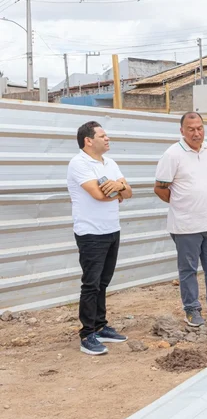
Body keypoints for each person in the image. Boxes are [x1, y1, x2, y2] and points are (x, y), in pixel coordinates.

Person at [154, 112, 207, 327]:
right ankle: (192, 310)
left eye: (199, 128)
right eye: (190, 129)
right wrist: (182, 205)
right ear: (181, 131)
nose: (196, 133)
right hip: (185, 226)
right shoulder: (172, 155)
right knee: (188, 270)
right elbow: (160, 188)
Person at [67, 121, 133, 355]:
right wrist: (118, 189)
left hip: (111, 229)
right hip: (91, 233)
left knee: (103, 282)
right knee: (91, 284)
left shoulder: (110, 163)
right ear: (88, 140)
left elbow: (129, 192)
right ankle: (87, 334)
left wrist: (117, 186)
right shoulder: (79, 163)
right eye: (102, 136)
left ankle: (101, 325)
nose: (107, 139)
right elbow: (97, 194)